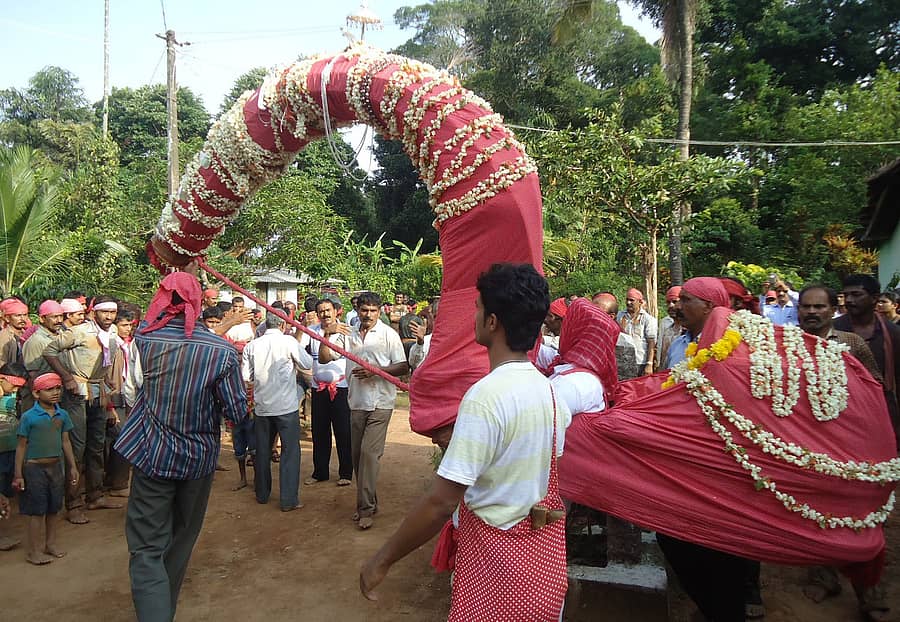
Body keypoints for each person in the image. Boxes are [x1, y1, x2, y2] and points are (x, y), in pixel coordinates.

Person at [360, 263, 570, 620]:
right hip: (541, 568)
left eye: (477, 306)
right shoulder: (549, 391)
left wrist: (381, 560)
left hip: (497, 569)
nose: (472, 314)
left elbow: (441, 502)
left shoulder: (486, 396)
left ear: (492, 321)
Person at [114, 269, 247, 622]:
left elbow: (132, 386)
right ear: (199, 303)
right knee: (182, 539)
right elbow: (236, 411)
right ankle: (163, 611)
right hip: (198, 460)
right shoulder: (222, 352)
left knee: (145, 548)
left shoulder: (145, 339)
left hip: (150, 454)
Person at [660, 276, 765, 622]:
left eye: (685, 300)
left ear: (709, 306)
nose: (676, 305)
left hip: (725, 466)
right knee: (676, 542)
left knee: (723, 552)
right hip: (684, 462)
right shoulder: (678, 345)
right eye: (677, 300)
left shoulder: (739, 346)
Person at [320, 291, 407, 531]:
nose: (368, 315)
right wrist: (326, 335)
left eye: (373, 311)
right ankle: (371, 502)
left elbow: (402, 366)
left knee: (369, 454)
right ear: (357, 310)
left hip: (381, 402)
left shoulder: (388, 335)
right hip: (356, 401)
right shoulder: (346, 333)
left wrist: (375, 371)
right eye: (364, 310)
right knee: (358, 457)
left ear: (380, 312)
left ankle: (365, 509)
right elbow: (325, 357)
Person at [43, 295, 122, 523]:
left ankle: (95, 495)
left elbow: (104, 359)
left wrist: (106, 380)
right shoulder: (79, 331)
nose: (109, 316)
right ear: (93, 312)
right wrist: (66, 377)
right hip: (77, 392)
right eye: (104, 312)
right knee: (76, 448)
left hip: (98, 392)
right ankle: (73, 503)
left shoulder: (113, 332)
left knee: (96, 445)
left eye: (112, 312)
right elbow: (50, 351)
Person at [242, 311, 308, 511]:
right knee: (290, 451)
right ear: (282, 325)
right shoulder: (289, 342)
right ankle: (288, 500)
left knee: (262, 450)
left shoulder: (252, 345)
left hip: (263, 406)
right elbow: (307, 363)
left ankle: (262, 494)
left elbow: (246, 376)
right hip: (286, 406)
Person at [13, 372, 78, 565]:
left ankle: (50, 544)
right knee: (36, 511)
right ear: (36, 394)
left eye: (58, 388)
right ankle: (33, 551)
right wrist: (18, 474)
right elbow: (21, 446)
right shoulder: (28, 417)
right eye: (49, 389)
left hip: (56, 467)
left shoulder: (62, 415)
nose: (55, 392)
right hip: (34, 470)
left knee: (53, 508)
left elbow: (66, 442)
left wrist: (73, 466)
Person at [306, 297, 353, 487]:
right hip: (318, 388)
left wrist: (330, 333)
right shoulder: (312, 331)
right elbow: (299, 347)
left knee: (343, 432)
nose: (325, 314)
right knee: (319, 432)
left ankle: (346, 473)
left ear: (336, 312)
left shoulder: (347, 332)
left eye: (328, 310)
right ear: (316, 314)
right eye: (321, 311)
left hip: (341, 388)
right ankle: (320, 472)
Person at [0, 363, 28, 551]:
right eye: (15, 385)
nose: (17, 390)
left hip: (9, 450)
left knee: (3, 494)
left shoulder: (10, 395)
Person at [617, 288, 657, 375]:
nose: (628, 303)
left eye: (632, 300)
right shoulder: (620, 316)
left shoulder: (648, 319)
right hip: (622, 361)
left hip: (640, 362)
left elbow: (651, 342)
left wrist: (649, 364)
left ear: (640, 302)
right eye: (627, 300)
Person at [657, 286, 685, 370]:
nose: (671, 305)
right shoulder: (668, 329)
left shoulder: (689, 331)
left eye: (674, 302)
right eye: (668, 302)